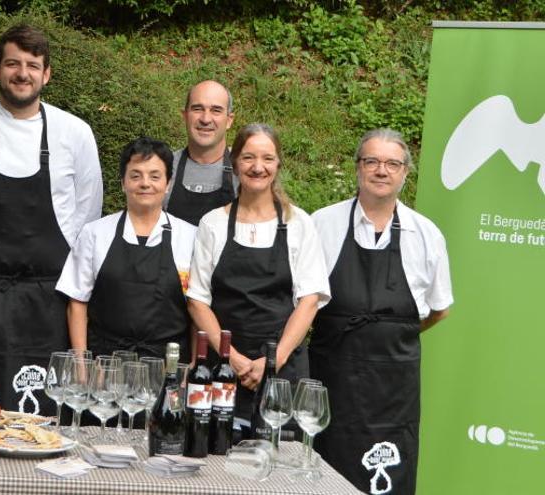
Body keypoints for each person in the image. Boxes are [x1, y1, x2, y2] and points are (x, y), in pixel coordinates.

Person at [0, 24, 103, 416]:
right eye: (12, 63)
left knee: (43, 418)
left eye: (32, 65)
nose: (22, 73)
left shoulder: (75, 133)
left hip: (48, 302)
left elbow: (87, 211)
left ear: (46, 74)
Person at [310, 129, 453, 495]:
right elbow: (303, 303)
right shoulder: (320, 224)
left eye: (392, 163)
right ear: (357, 168)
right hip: (332, 379)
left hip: (394, 388)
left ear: (405, 173)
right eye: (371, 161)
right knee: (324, 476)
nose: (381, 170)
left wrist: (389, 333)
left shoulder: (427, 234)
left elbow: (438, 311)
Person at [186, 123, 330, 426]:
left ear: (278, 164)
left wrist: (272, 362)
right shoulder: (212, 223)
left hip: (282, 371)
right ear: (235, 163)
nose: (258, 167)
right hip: (222, 368)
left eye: (267, 158)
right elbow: (197, 301)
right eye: (248, 157)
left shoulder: (299, 223)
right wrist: (232, 359)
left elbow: (309, 301)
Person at [57, 137, 196, 363]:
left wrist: (191, 366)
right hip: (105, 367)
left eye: (155, 176)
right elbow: (77, 302)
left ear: (168, 183)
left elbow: (197, 307)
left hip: (167, 367)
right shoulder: (95, 233)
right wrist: (82, 366)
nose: (145, 183)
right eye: (135, 175)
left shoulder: (190, 236)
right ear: (123, 182)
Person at [164, 80, 237, 226]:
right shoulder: (164, 168)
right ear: (185, 116)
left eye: (216, 110)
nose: (205, 119)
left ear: (229, 120)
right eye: (197, 109)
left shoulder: (245, 170)